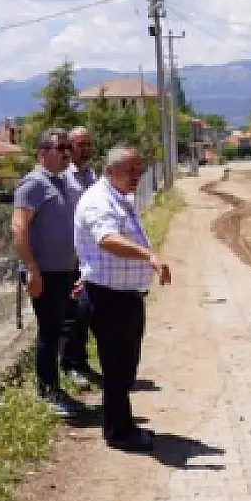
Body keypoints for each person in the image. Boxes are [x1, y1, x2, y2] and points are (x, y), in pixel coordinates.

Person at [74, 145, 171, 450]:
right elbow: (107, 239)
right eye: (131, 171)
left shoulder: (119, 198)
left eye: (139, 171)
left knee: (124, 368)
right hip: (108, 300)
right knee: (117, 370)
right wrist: (149, 256)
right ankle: (120, 433)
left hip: (122, 297)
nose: (138, 177)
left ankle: (122, 426)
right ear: (110, 171)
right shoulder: (99, 202)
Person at [12, 128, 85, 416]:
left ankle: (55, 385)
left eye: (69, 147)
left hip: (64, 271)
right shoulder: (32, 185)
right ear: (43, 153)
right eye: (61, 148)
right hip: (45, 273)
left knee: (60, 329)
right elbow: (19, 228)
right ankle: (46, 391)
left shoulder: (60, 182)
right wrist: (31, 269)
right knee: (49, 331)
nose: (68, 153)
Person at [60, 125, 101, 387]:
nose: (85, 149)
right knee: (69, 314)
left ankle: (82, 362)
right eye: (80, 144)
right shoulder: (64, 178)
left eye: (88, 144)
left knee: (84, 312)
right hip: (69, 257)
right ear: (70, 147)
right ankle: (70, 365)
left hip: (89, 257)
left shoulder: (92, 175)